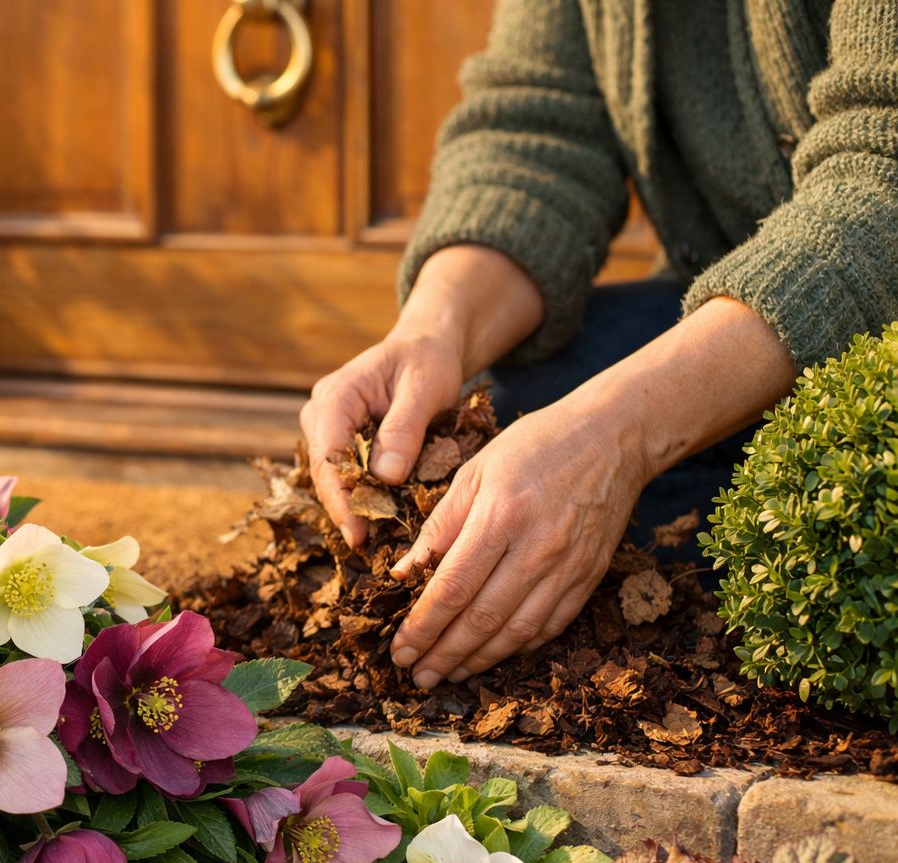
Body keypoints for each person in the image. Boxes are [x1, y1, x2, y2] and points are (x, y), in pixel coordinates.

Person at [300, 1, 898, 691]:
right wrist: (434, 330)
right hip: (751, 307)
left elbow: (881, 178)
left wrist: (617, 436)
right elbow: (534, 137)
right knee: (516, 419)